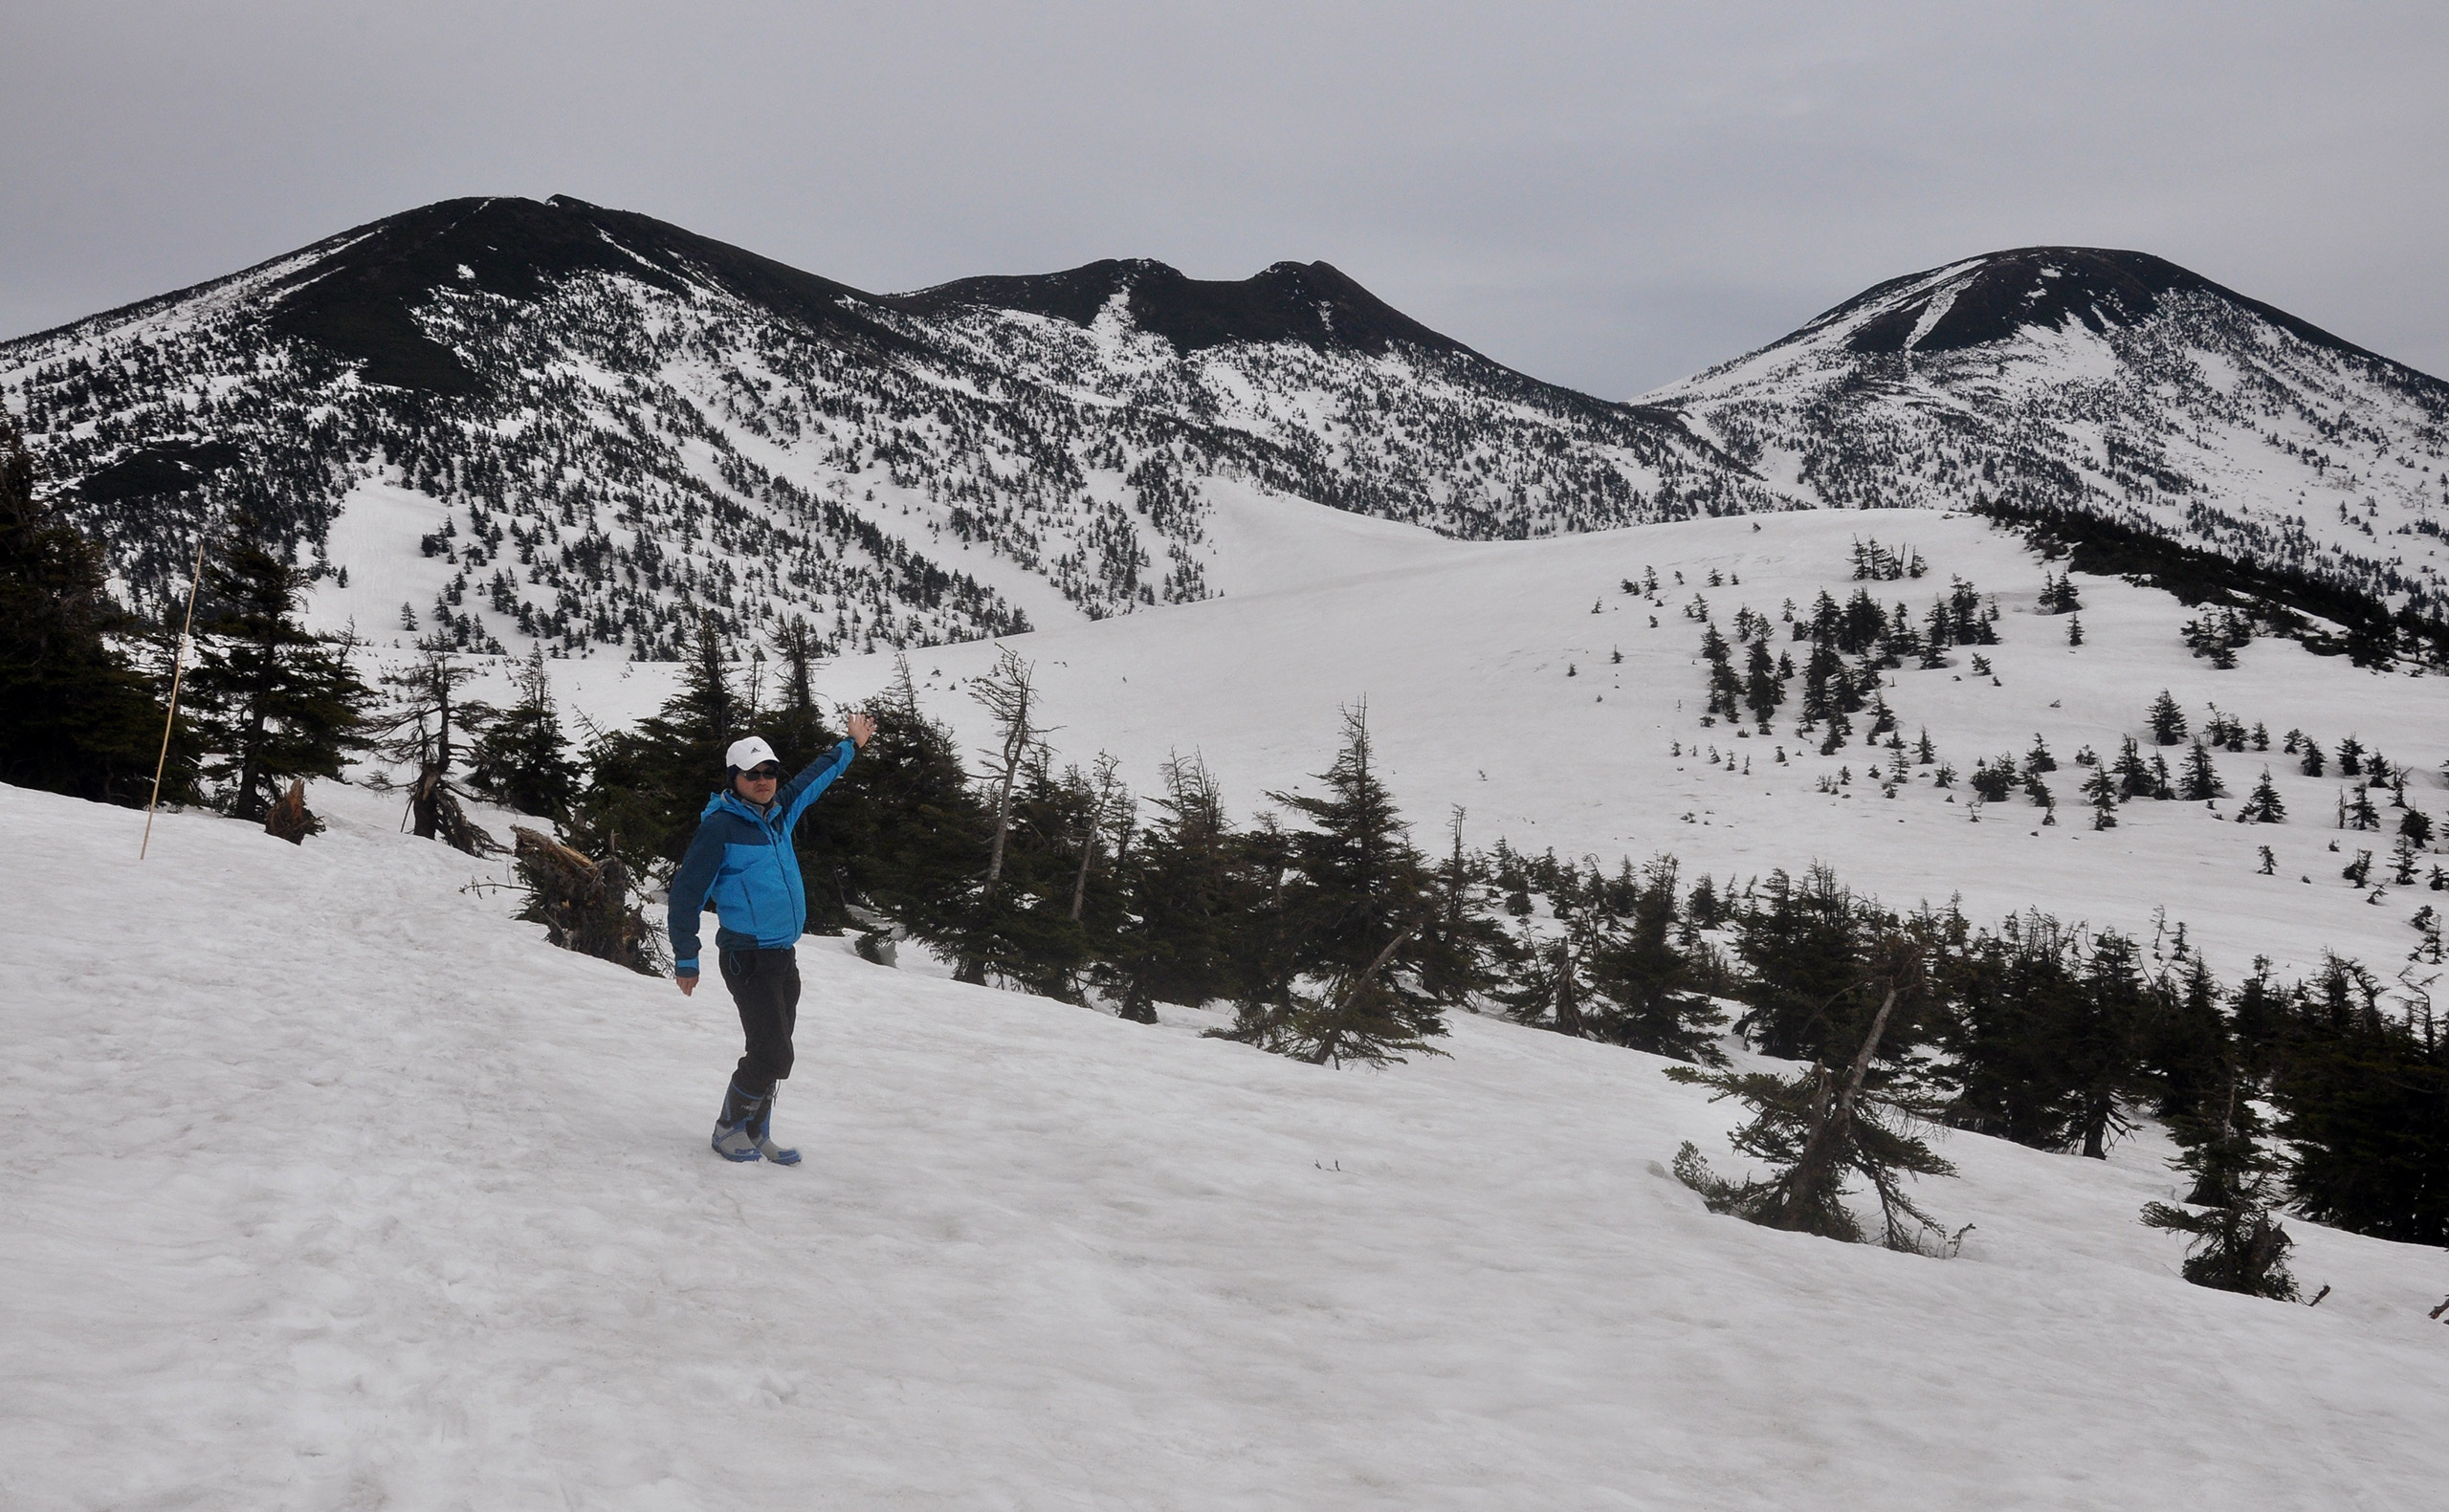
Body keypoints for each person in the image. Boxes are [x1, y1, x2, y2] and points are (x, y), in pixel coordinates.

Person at [670, 713, 876, 1163]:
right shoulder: (720, 828)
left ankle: (756, 1130)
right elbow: (686, 894)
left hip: (783, 955)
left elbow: (815, 776)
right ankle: (728, 1129)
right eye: (752, 774)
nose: (764, 781)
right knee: (773, 1054)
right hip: (747, 957)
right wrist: (687, 957)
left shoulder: (779, 813)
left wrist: (851, 744)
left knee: (773, 1049)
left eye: (769, 772)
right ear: (734, 779)